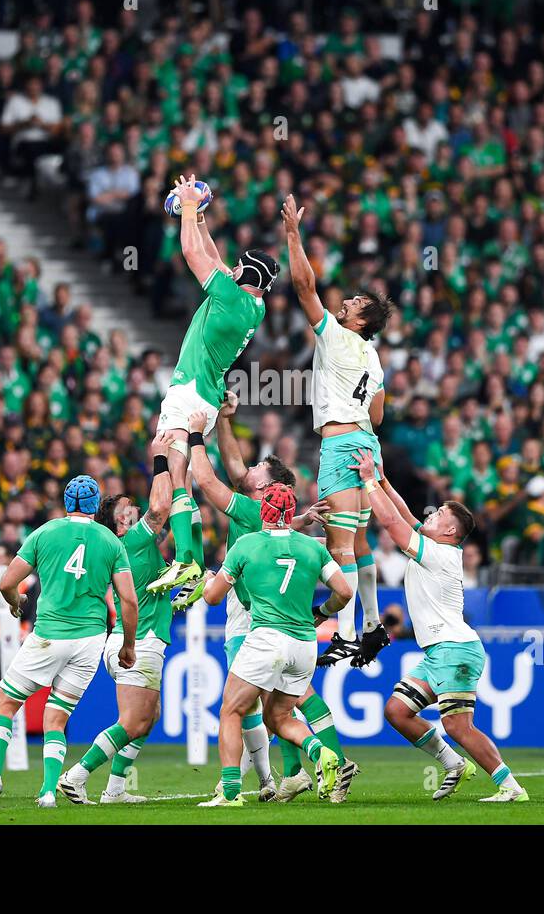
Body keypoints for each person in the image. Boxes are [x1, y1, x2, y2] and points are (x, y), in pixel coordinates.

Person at [353, 448, 528, 803]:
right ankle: (454, 764)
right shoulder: (433, 545)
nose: (430, 516)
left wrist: (369, 481)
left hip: (455, 650)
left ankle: (511, 788)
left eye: (439, 514)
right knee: (397, 711)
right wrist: (384, 481)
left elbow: (391, 524)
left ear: (450, 529)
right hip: (440, 652)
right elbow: (403, 515)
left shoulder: (439, 552)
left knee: (458, 725)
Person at [178, 404, 333, 802]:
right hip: (290, 627)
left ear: (265, 490)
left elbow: (209, 480)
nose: (248, 475)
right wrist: (226, 419)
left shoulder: (247, 511)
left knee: (239, 705)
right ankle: (288, 772)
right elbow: (234, 467)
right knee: (272, 706)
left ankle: (238, 783)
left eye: (256, 475)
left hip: (253, 616)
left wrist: (196, 434)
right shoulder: (270, 514)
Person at [0, 475, 138, 809]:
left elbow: (8, 581)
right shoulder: (111, 542)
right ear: (96, 505)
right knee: (57, 717)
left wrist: (13, 601)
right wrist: (128, 645)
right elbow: (128, 600)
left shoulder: (45, 532)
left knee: (5, 705)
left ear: (67, 503)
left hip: (50, 633)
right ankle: (48, 792)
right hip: (90, 640)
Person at [146, 173, 275, 598]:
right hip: (206, 391)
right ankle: (190, 561)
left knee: (176, 472)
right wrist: (199, 215)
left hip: (189, 390)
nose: (230, 266)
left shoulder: (230, 298)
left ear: (246, 274)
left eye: (239, 266)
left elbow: (189, 251)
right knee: (179, 473)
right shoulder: (251, 305)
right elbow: (217, 259)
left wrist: (185, 207)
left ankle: (188, 559)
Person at [282, 193, 393, 667]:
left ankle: (345, 633)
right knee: (361, 540)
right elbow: (381, 415)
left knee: (339, 543)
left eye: (355, 302)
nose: (346, 301)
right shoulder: (374, 357)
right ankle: (372, 625)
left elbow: (305, 288)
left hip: (342, 444)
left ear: (361, 319)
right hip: (368, 442)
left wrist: (292, 233)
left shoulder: (337, 334)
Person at [195, 483, 354, 807]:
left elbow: (212, 598)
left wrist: (208, 580)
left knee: (231, 710)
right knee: (278, 718)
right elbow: (345, 591)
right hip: (304, 646)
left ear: (262, 511)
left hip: (267, 639)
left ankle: (229, 793)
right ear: (292, 513)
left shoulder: (246, 545)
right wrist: (321, 613)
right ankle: (320, 752)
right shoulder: (311, 548)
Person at [57, 433, 175, 804]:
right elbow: (160, 509)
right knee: (133, 721)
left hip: (134, 639)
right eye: (128, 508)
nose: (135, 509)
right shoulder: (131, 541)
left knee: (148, 717)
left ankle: (116, 790)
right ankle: (77, 775)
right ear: (119, 524)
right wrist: (162, 458)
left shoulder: (130, 545)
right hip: (138, 641)